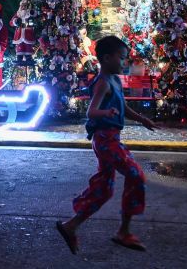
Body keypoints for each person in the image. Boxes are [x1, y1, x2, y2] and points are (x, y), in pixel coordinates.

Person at [56, 36, 159, 254]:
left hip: (113, 138)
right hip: (105, 139)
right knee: (136, 175)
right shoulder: (103, 82)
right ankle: (124, 231)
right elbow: (91, 111)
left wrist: (142, 120)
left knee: (104, 189)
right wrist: (106, 112)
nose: (124, 63)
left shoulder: (115, 80)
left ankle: (70, 226)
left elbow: (122, 106)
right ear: (106, 58)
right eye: (121, 58)